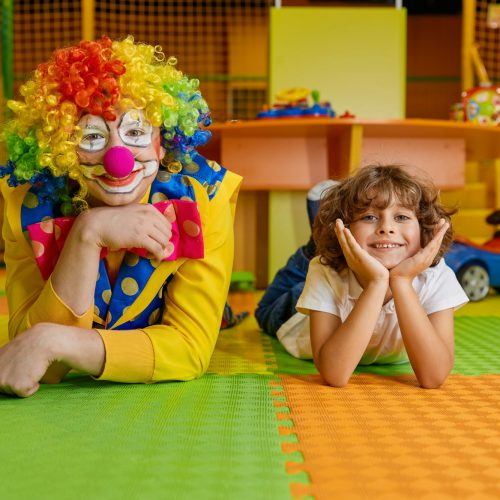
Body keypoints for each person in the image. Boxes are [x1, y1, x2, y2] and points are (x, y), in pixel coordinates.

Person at [0, 35, 242, 398]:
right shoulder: (27, 209)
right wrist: (87, 233)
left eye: (135, 131)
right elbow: (32, 366)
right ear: (61, 148)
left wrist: (56, 340)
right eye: (91, 137)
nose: (119, 159)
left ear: (163, 141)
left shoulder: (203, 198)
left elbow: (188, 350)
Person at [273, 165, 469, 388]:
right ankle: (323, 234)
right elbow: (334, 375)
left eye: (402, 216)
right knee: (299, 277)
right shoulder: (324, 272)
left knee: (323, 252)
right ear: (348, 227)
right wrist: (377, 283)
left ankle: (324, 228)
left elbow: (434, 378)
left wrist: (401, 282)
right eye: (369, 216)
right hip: (291, 317)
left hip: (348, 271)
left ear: (425, 230)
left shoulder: (437, 276)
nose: (386, 227)